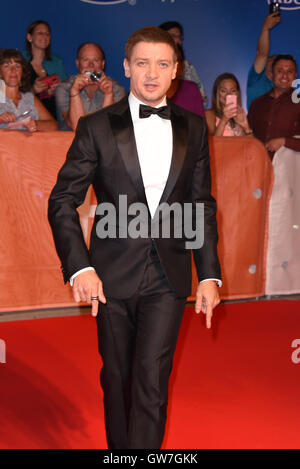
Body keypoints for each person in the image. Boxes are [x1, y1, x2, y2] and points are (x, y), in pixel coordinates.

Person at [48, 26, 221, 449]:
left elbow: (200, 205)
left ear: (176, 71)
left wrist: (209, 275)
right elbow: (61, 201)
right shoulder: (95, 127)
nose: (151, 73)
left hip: (169, 276)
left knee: (151, 378)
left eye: (162, 64)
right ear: (126, 67)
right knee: (118, 376)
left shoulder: (195, 129)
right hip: (109, 277)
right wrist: (80, 267)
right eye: (142, 63)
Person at [55, 42, 126, 130]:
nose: (91, 65)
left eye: (96, 60)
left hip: (104, 142)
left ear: (103, 64)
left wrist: (108, 94)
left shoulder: (116, 89)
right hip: (69, 142)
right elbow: (77, 127)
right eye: (86, 60)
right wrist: (75, 91)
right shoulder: (64, 88)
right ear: (78, 63)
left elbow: (106, 129)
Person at [248, 54, 300, 160]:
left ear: (295, 75)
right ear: (272, 75)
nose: (285, 76)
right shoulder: (257, 104)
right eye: (280, 71)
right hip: (258, 168)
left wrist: (285, 141)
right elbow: (246, 137)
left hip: (290, 172)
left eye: (290, 71)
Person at [0, 48, 58, 132]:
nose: (13, 71)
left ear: (22, 71)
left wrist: (34, 124)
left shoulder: (30, 98)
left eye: (17, 66)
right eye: (7, 66)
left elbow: (54, 126)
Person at [22, 20, 67, 119]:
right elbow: (10, 95)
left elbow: (67, 92)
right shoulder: (19, 60)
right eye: (40, 33)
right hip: (27, 117)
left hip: (55, 116)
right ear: (29, 37)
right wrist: (33, 90)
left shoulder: (56, 61)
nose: (44, 36)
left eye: (47, 33)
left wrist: (58, 89)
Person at [159, 21, 208, 108]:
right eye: (173, 36)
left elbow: (202, 101)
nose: (178, 41)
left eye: (180, 37)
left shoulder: (187, 66)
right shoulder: (150, 66)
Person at [246, 12, 281, 110]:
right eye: (271, 59)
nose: (274, 62)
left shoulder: (285, 86)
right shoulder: (256, 79)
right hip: (254, 125)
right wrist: (265, 28)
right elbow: (262, 54)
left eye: (278, 61)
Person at [167, 44, 204, 116]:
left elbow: (201, 125)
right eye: (168, 61)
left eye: (177, 60)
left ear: (182, 66)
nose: (173, 66)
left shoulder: (191, 90)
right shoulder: (151, 89)